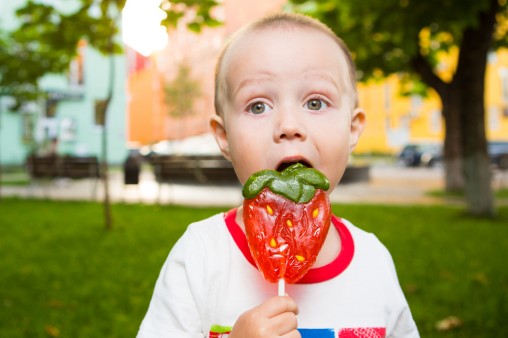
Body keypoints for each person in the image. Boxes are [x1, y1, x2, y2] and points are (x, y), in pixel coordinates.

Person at [137, 13, 419, 338]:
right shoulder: (201, 257)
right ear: (224, 136)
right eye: (258, 106)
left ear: (352, 128)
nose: (288, 126)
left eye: (315, 102)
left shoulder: (373, 263)